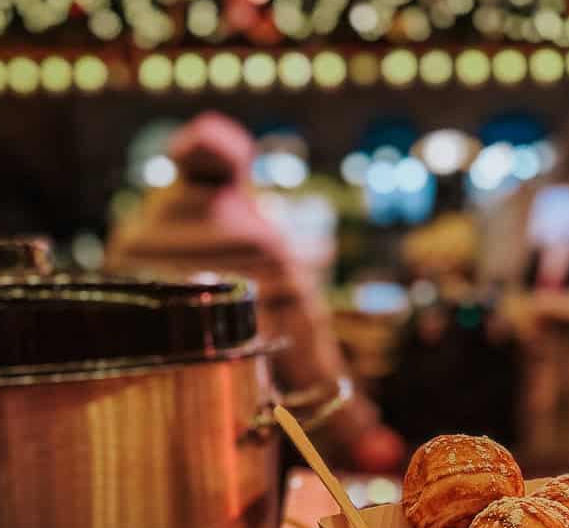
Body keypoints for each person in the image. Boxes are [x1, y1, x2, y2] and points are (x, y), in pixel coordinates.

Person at [107, 112, 404, 472]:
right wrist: (359, 432)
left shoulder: (131, 242)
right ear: (240, 171)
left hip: (138, 437)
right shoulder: (259, 245)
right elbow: (309, 359)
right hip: (240, 437)